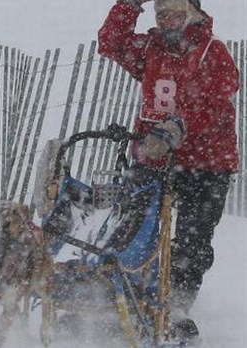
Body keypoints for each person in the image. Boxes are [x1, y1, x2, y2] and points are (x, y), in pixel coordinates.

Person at [97, 0, 240, 341]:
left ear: (194, 13)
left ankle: (176, 303)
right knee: (135, 224)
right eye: (161, 13)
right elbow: (111, 42)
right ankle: (127, 288)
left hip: (206, 162)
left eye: (175, 12)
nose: (167, 20)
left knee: (192, 237)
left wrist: (179, 127)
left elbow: (217, 101)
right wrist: (130, 5)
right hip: (154, 158)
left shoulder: (212, 52)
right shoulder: (151, 48)